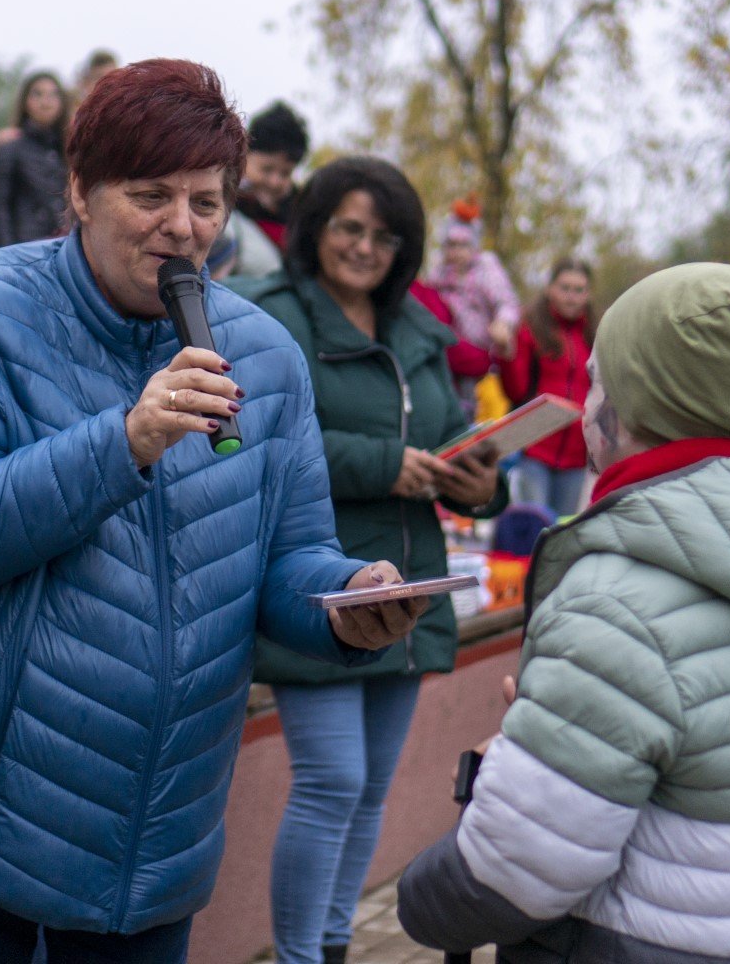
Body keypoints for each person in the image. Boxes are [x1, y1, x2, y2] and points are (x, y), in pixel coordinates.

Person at [0, 60, 430, 964]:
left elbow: (289, 555)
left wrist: (345, 603)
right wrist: (122, 442)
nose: (183, 226)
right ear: (80, 192)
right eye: (151, 194)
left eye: (207, 202)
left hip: (155, 831)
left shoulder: (266, 358)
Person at [396, 263, 730, 963]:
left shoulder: (617, 593)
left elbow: (516, 874)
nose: (585, 406)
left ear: (634, 408)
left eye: (599, 382)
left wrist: (420, 897)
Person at [240, 155, 507, 964]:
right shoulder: (271, 315)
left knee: (365, 794)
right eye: (348, 227)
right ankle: (299, 956)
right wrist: (380, 462)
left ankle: (331, 944)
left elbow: (446, 437)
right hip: (315, 582)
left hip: (407, 587)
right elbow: (251, 435)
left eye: (383, 235)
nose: (363, 247)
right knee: (330, 784)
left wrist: (478, 482)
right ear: (315, 226)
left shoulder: (417, 330)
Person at [497, 256, 594, 515]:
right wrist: (506, 354)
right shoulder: (531, 328)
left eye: (578, 290)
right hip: (535, 447)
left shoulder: (594, 334)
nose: (571, 297)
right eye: (565, 288)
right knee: (535, 527)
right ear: (550, 288)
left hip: (577, 454)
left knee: (563, 532)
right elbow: (515, 390)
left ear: (587, 294)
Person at [422, 196, 520, 407]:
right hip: (452, 353)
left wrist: (503, 323)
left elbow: (506, 302)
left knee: (483, 405)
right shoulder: (439, 273)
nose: (456, 252)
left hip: (484, 355)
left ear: (473, 247)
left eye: (462, 246)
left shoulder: (486, 268)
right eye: (451, 246)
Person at [226, 100, 308, 277]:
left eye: (285, 173)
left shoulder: (299, 214)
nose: (275, 182)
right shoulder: (225, 202)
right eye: (267, 169)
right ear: (244, 155)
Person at [0, 70, 69, 245]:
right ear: (25, 101)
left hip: (62, 244)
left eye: (53, 95)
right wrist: (7, 252)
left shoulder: (68, 149)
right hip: (25, 246)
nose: (46, 101)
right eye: (38, 94)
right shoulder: (11, 147)